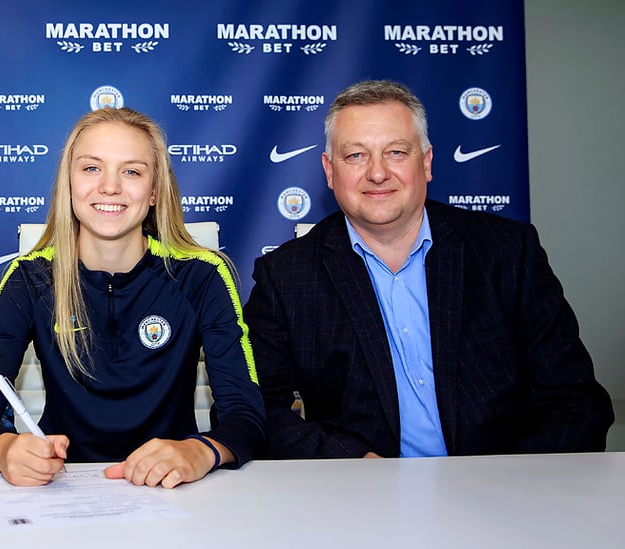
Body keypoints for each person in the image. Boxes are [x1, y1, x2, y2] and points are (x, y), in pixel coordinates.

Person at [244, 80, 614, 459]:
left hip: (506, 495)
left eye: (396, 152)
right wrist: (349, 463)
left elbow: (575, 401)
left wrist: (516, 483)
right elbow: (254, 409)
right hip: (363, 502)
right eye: (356, 155)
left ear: (426, 162)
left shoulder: (507, 252)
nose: (377, 173)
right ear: (329, 170)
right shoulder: (286, 276)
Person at [0, 107, 264, 488]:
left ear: (154, 192)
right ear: (68, 183)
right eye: (91, 168)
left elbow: (246, 414)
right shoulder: (29, 278)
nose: (110, 187)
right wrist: (3, 450)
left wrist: (202, 451)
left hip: (174, 489)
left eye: (131, 171)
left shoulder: (203, 274)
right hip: (61, 489)